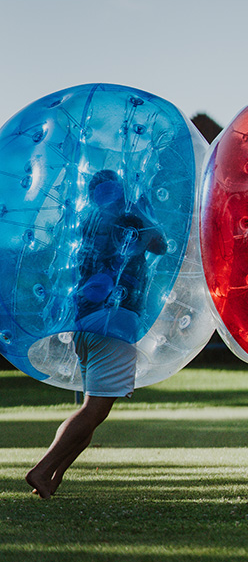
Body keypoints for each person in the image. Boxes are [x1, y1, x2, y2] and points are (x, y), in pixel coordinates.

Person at [25, 170, 166, 499]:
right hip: (115, 321)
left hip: (85, 322)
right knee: (94, 411)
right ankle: (43, 469)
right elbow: (159, 243)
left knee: (94, 409)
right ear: (118, 190)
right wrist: (144, 207)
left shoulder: (87, 220)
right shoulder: (128, 216)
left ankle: (53, 477)